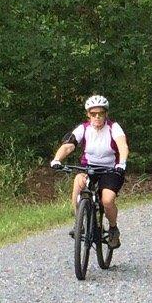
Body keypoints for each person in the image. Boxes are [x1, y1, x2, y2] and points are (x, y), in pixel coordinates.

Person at [50, 94, 129, 247]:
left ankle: (113, 229)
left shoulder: (113, 127)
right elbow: (69, 145)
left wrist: (122, 163)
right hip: (89, 168)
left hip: (111, 169)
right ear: (88, 115)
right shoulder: (83, 129)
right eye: (93, 114)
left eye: (100, 113)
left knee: (107, 200)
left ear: (106, 114)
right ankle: (79, 223)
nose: (97, 117)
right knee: (78, 182)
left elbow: (122, 146)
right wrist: (57, 159)